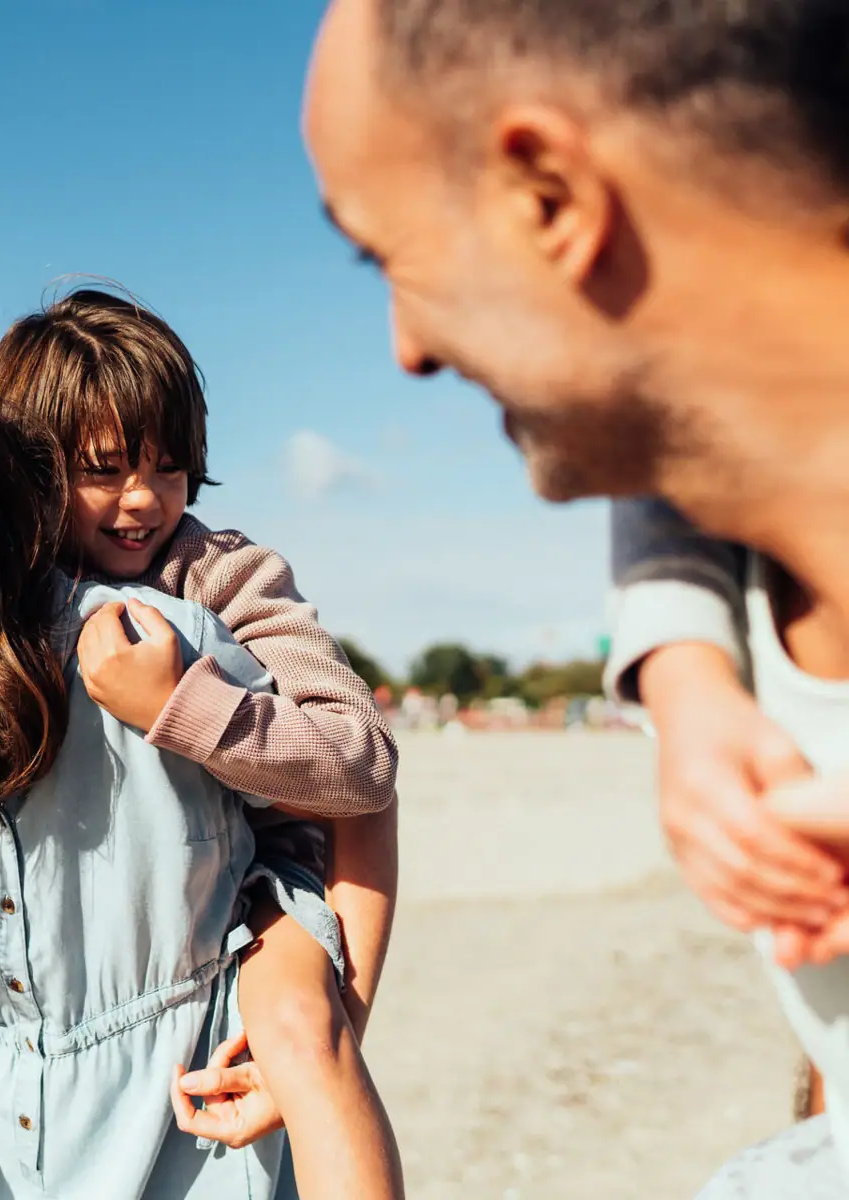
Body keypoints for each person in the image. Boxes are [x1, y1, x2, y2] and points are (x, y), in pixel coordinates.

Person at [302, 0, 849, 1190]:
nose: (407, 349)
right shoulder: (739, 535)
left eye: (386, 255)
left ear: (551, 198)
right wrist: (683, 674)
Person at [0, 291, 405, 1200]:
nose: (143, 499)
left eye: (171, 468)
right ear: (30, 472)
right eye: (100, 469)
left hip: (260, 883)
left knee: (301, 1025)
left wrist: (180, 703)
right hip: (48, 1022)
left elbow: (361, 772)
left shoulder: (212, 585)